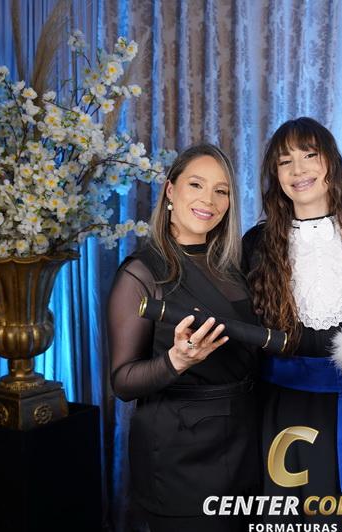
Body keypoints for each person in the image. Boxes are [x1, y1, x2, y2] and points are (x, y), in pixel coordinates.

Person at [243, 117, 342, 532]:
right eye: (284, 161)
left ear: (330, 163)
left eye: (310, 155)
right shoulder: (256, 244)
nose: (298, 170)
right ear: (275, 176)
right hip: (280, 409)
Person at [107, 144, 259, 532]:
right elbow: (122, 382)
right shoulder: (141, 273)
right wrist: (175, 361)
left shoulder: (234, 266)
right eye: (196, 184)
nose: (209, 200)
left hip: (244, 441)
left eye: (221, 190)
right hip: (179, 453)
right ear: (170, 190)